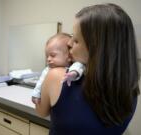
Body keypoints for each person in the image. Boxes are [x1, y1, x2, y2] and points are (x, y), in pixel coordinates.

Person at [35, 3, 140, 135]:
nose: (69, 43)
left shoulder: (56, 76)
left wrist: (41, 87)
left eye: (76, 40)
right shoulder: (131, 90)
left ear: (98, 47)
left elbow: (41, 111)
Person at [32, 33, 85, 104]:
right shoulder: (48, 70)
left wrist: (73, 73)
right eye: (47, 56)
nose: (48, 59)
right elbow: (40, 83)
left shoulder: (73, 65)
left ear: (69, 56)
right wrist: (36, 94)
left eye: (52, 55)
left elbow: (79, 66)